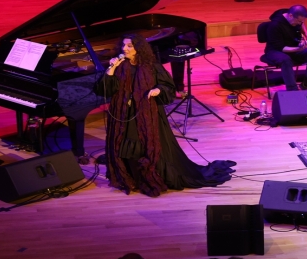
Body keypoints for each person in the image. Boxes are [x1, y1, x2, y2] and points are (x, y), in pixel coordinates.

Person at [95, 33, 236, 197]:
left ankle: (146, 176)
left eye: (129, 46)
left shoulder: (151, 65)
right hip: (122, 112)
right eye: (124, 45)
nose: (124, 49)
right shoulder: (118, 66)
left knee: (143, 144)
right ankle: (129, 177)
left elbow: (167, 85)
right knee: (124, 143)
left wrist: (158, 90)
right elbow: (103, 89)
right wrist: (111, 68)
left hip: (146, 113)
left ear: (138, 48)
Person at [264, 5, 307, 91]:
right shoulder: (275, 25)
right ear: (290, 16)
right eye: (298, 21)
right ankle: (292, 90)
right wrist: (298, 49)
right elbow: (281, 48)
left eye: (301, 21)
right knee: (286, 60)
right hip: (274, 51)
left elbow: (301, 23)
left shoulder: (293, 15)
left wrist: (305, 33)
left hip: (292, 47)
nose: (299, 23)